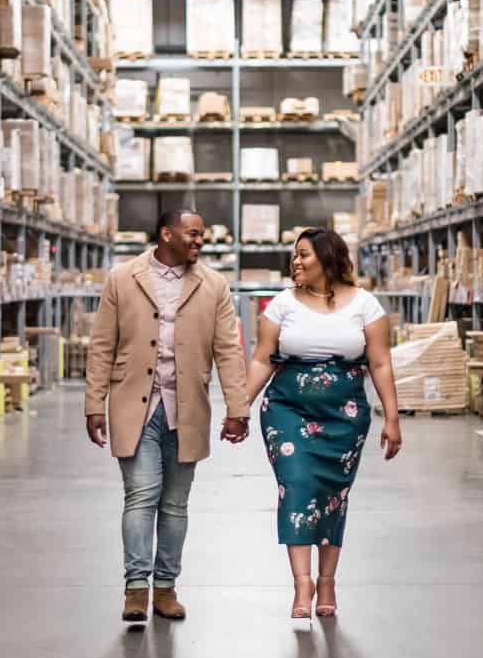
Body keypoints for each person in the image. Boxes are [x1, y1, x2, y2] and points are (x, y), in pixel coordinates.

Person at [84, 208, 249, 623]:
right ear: (166, 234)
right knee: (141, 495)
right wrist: (93, 403)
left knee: (175, 504)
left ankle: (166, 588)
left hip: (186, 407)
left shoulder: (214, 285)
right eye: (192, 233)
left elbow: (228, 349)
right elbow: (102, 345)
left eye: (202, 235)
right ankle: (136, 588)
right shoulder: (123, 278)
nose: (199, 241)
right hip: (133, 404)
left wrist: (237, 407)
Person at [242, 227, 402, 619]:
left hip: (344, 416)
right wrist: (238, 406)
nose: (295, 261)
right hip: (286, 409)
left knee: (333, 494)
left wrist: (392, 418)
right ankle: (302, 584)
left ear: (328, 258)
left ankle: (327, 581)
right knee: (295, 485)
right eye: (294, 255)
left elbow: (379, 362)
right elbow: (263, 358)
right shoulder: (281, 305)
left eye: (304, 255)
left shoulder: (366, 305)